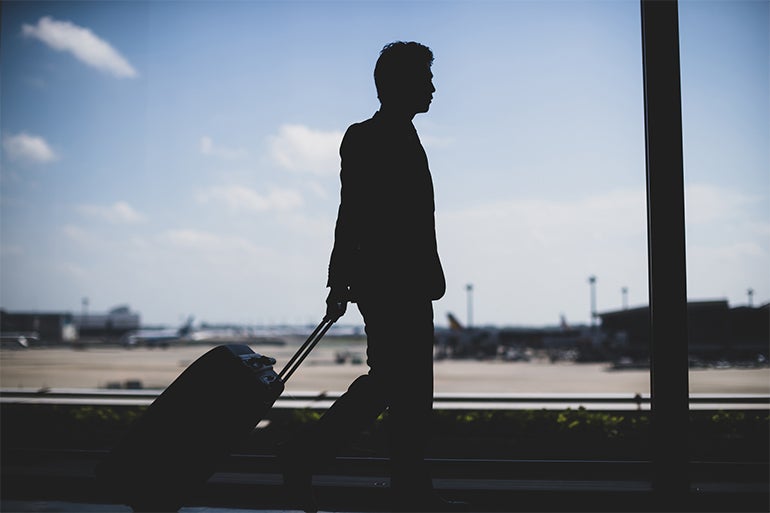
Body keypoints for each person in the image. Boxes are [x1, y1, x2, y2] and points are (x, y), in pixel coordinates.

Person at [278, 41, 464, 512]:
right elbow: (352, 213)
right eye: (425, 79)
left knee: (404, 390)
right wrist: (339, 280)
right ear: (401, 84)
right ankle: (309, 457)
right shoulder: (368, 137)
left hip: (405, 283)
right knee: (398, 386)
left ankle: (403, 487)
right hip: (390, 285)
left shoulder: (401, 135)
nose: (433, 88)